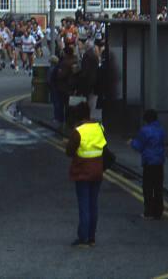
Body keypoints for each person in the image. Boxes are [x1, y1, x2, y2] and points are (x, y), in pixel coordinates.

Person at [65, 101, 105, 247]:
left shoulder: (78, 132)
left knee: (84, 206)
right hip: (97, 170)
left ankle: (83, 238)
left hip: (82, 171)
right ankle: (92, 237)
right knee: (93, 204)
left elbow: (69, 152)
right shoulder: (99, 127)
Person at [130, 109, 166, 220]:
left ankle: (149, 212)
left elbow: (139, 146)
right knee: (158, 187)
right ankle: (158, 211)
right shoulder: (161, 129)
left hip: (149, 162)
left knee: (148, 188)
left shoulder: (144, 130)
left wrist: (131, 142)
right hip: (159, 161)